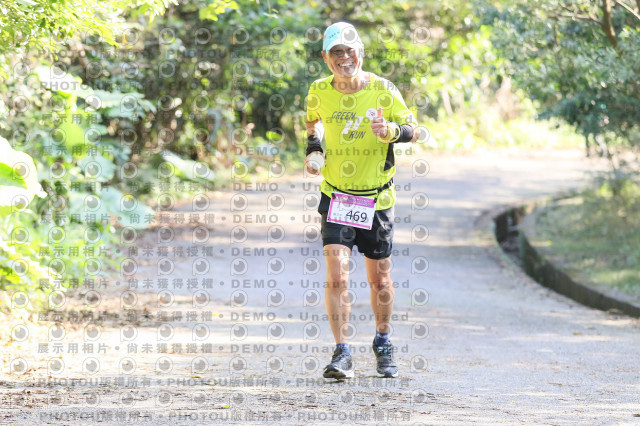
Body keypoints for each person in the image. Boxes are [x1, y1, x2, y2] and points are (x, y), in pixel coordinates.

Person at [304, 21, 419, 379]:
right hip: (337, 195)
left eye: (349, 50)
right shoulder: (318, 90)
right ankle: (342, 353)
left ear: (361, 53)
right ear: (326, 57)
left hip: (376, 199)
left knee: (379, 281)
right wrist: (313, 150)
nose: (344, 58)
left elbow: (414, 129)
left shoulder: (383, 90)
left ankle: (382, 342)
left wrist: (392, 131)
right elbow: (313, 123)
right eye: (336, 52)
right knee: (337, 276)